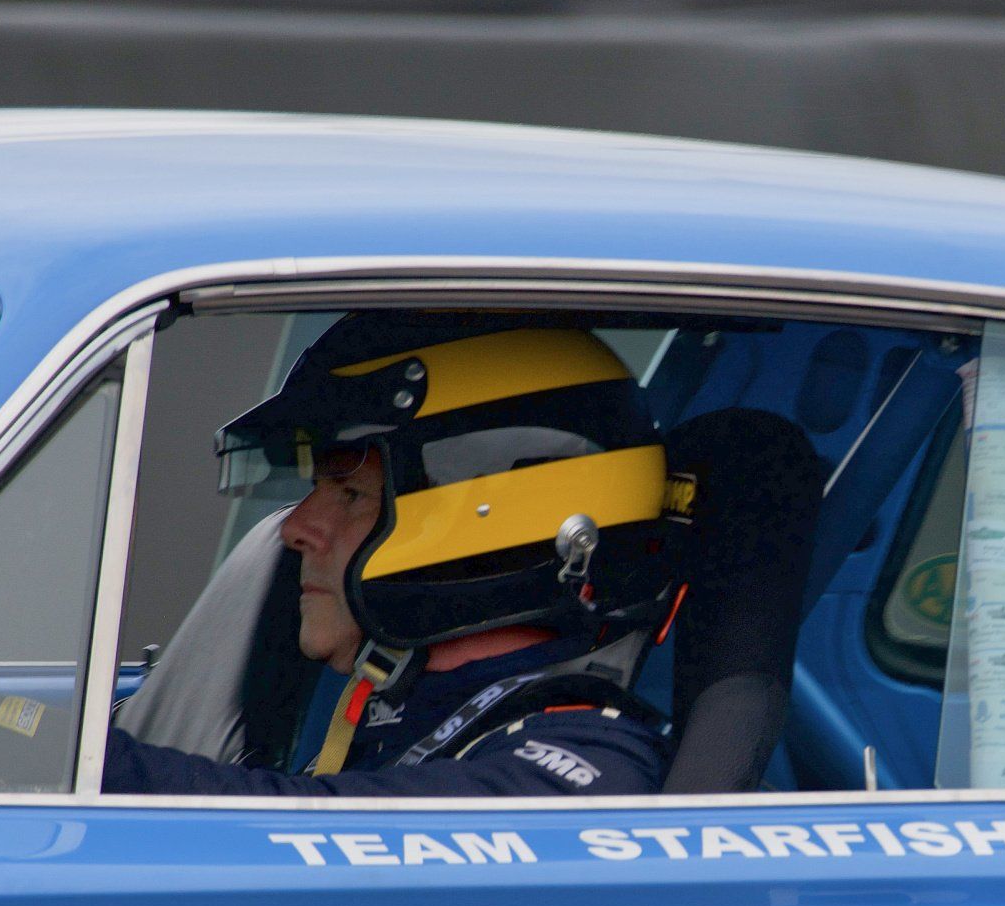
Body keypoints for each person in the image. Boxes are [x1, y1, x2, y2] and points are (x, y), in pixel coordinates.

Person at [102, 314, 685, 797]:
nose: (296, 528)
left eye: (350, 494)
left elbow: (306, 831)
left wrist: (79, 765)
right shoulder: (395, 700)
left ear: (487, 521)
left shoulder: (572, 766)